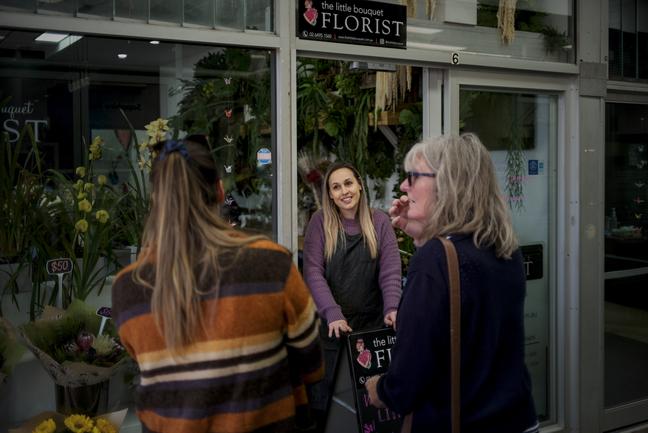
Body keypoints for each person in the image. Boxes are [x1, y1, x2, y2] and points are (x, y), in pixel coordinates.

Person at [111, 136, 324, 433]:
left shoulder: (128, 287)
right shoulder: (270, 264)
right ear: (221, 190)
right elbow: (312, 365)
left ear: (157, 201)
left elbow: (148, 368)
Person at [365, 133, 538, 433]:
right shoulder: (504, 247)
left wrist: (379, 389)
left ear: (448, 184)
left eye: (413, 176)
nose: (404, 186)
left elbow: (408, 381)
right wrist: (422, 236)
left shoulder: (436, 260)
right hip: (518, 420)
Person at [302, 161, 402, 430]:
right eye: (336, 187)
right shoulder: (320, 223)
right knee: (326, 407)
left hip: (371, 331)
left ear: (359, 184)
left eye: (348, 183)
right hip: (332, 333)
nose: (343, 191)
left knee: (371, 406)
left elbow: (391, 271)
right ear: (330, 195)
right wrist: (332, 313)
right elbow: (312, 273)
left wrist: (392, 307)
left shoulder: (379, 221)